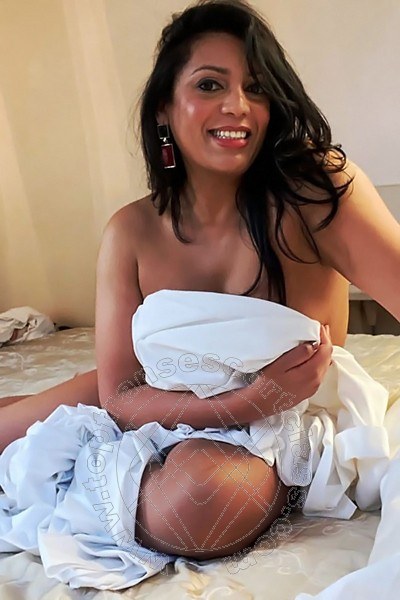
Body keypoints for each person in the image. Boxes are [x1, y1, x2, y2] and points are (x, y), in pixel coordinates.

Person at [1, 0, 399, 561]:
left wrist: (262, 404)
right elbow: (121, 394)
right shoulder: (131, 230)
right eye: (210, 85)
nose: (238, 105)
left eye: (256, 88)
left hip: (282, 419)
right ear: (165, 108)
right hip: (153, 395)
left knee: (191, 505)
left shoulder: (315, 191)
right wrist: (241, 401)